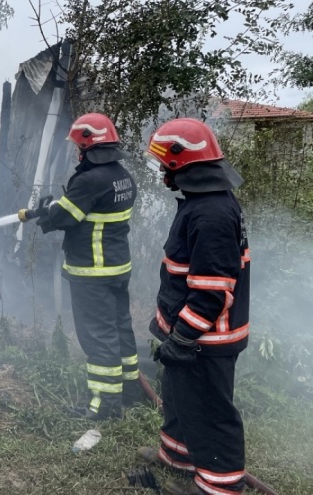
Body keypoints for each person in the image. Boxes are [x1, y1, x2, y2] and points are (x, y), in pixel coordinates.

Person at [139, 118, 250, 495]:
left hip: (206, 338)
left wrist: (184, 337)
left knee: (210, 411)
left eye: (163, 163)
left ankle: (218, 486)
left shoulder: (212, 215)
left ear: (180, 161)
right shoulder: (202, 203)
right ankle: (177, 456)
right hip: (190, 333)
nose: (160, 172)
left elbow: (212, 291)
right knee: (180, 398)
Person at [18, 112, 141, 420]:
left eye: (78, 145)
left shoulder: (89, 179)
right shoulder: (122, 176)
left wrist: (45, 211)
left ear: (89, 145)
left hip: (92, 273)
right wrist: (49, 208)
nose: (76, 151)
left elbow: (66, 216)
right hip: (117, 269)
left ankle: (103, 407)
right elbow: (85, 209)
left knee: (98, 338)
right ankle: (129, 393)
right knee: (120, 330)